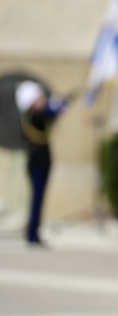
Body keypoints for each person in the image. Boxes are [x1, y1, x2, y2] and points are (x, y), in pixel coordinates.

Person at [15, 80, 69, 245]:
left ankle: (34, 230)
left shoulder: (39, 115)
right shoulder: (33, 116)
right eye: (39, 98)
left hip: (43, 161)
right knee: (37, 198)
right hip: (37, 163)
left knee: (39, 198)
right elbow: (46, 113)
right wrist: (56, 107)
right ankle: (32, 233)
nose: (42, 100)